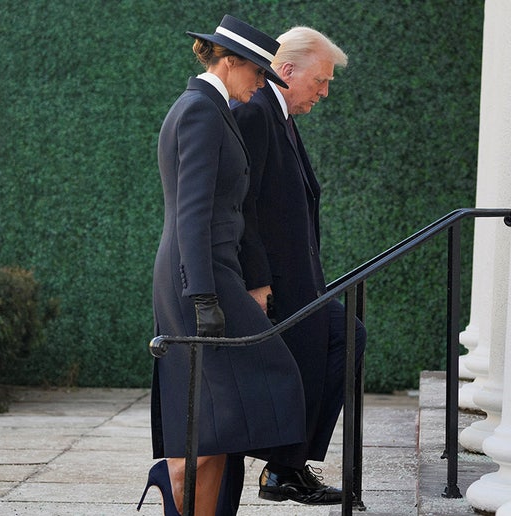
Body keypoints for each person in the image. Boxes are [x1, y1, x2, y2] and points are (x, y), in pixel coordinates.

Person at [139, 15, 306, 516]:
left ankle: (184, 491)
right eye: (257, 73)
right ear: (230, 62)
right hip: (199, 278)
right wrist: (204, 296)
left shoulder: (213, 108)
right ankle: (174, 474)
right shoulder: (199, 111)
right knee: (257, 384)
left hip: (210, 272)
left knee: (213, 411)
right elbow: (191, 212)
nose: (261, 84)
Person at [232, 27, 367, 506]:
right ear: (287, 70)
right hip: (274, 284)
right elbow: (241, 205)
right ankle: (283, 469)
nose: (325, 92)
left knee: (345, 336)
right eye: (321, 80)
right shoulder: (254, 111)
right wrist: (257, 282)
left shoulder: (279, 113)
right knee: (339, 337)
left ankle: (287, 467)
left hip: (301, 279)